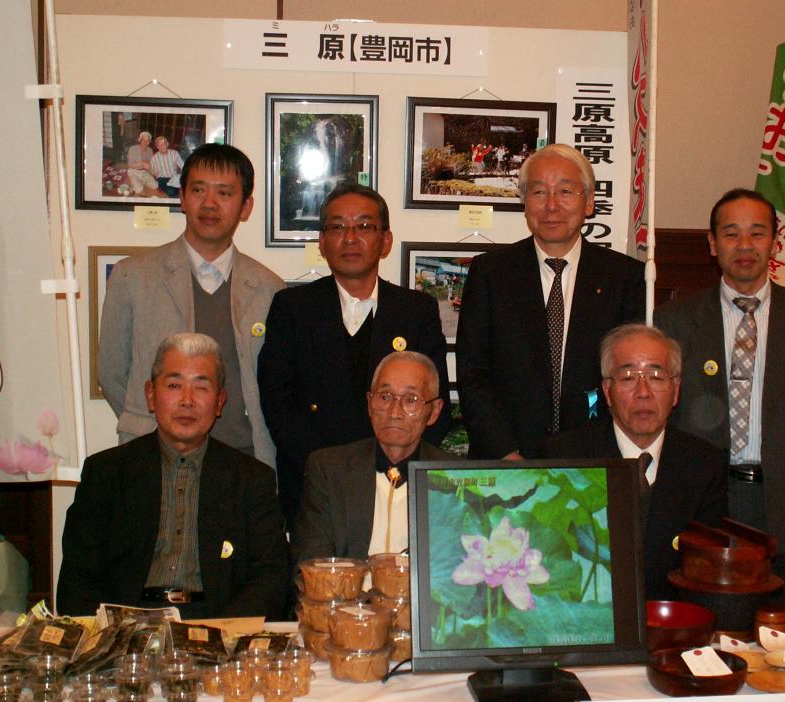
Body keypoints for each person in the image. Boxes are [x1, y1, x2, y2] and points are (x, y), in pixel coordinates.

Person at [654, 188, 785, 591]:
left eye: (757, 233)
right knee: (704, 615)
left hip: (784, 502)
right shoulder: (674, 320)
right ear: (712, 243)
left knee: (777, 617)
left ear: (775, 242)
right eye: (731, 233)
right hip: (703, 499)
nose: (744, 245)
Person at [257, 184, 451, 529]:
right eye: (337, 227)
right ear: (322, 241)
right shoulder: (293, 308)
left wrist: (394, 467)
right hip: (315, 486)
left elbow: (435, 405)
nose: (350, 238)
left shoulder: (416, 310)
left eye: (364, 226)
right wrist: (327, 472)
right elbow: (278, 404)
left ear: (386, 241)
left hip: (399, 484)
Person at [57, 334, 288, 619]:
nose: (187, 401)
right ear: (150, 395)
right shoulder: (105, 474)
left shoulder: (252, 480)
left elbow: (270, 577)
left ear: (219, 402)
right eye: (174, 385)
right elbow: (77, 578)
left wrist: (225, 632)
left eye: (201, 387)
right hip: (128, 621)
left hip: (217, 620)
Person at [98, 143, 284, 468]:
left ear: (246, 206)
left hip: (244, 461)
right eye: (198, 190)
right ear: (182, 198)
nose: (209, 203)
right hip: (154, 460)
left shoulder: (270, 289)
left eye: (224, 193)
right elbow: (112, 373)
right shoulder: (132, 277)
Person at [457, 144, 646, 459]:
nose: (552, 205)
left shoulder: (625, 278)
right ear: (524, 202)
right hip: (506, 459)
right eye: (539, 192)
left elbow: (628, 376)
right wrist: (506, 454)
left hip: (596, 459)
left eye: (566, 191)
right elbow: (472, 373)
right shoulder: (490, 273)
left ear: (589, 202)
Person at [534, 323, 727, 599]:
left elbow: (706, 575)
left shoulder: (705, 465)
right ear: (607, 391)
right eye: (628, 377)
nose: (643, 391)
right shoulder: (563, 457)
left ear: (676, 390)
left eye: (656, 376)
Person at [290, 351, 457, 561]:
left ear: (434, 411)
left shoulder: (456, 479)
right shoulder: (330, 471)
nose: (394, 412)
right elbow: (311, 564)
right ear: (369, 403)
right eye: (385, 397)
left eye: (410, 400)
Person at [126, 131, 158, 195]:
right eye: (143, 140)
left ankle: (138, 181)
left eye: (147, 140)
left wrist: (154, 171)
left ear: (149, 142)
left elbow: (150, 164)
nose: (145, 142)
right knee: (139, 190)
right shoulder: (133, 149)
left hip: (144, 172)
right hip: (133, 171)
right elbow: (130, 165)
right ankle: (134, 180)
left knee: (155, 186)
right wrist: (142, 163)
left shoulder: (150, 150)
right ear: (139, 140)